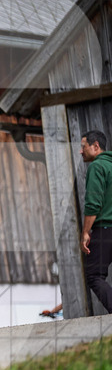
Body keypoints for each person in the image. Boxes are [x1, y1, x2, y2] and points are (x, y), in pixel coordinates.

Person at [79, 129, 112, 314]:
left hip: (105, 229)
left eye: (83, 146)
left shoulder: (97, 167)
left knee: (94, 275)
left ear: (96, 146)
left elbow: (93, 204)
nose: (81, 151)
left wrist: (85, 232)